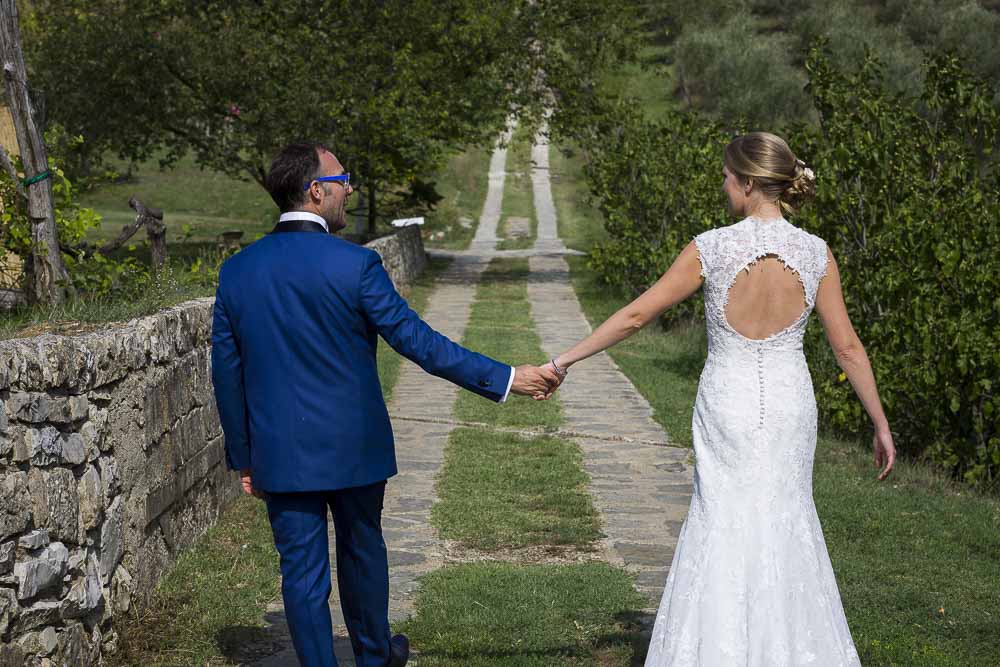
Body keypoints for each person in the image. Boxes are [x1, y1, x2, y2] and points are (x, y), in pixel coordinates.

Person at [542, 132, 895, 665]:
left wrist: (564, 359)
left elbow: (638, 315)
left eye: (728, 178)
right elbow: (846, 346)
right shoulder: (815, 252)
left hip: (727, 400)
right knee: (786, 516)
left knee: (721, 517)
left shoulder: (712, 246)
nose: (724, 186)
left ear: (750, 182)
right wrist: (881, 424)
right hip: (787, 403)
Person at [211, 142, 560, 667]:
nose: (350, 188)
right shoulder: (356, 265)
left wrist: (244, 456)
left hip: (280, 450)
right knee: (362, 553)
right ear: (316, 189)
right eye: (343, 178)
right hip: (355, 447)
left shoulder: (238, 271)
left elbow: (226, 372)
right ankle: (374, 657)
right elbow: (417, 342)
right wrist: (507, 378)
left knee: (300, 572)